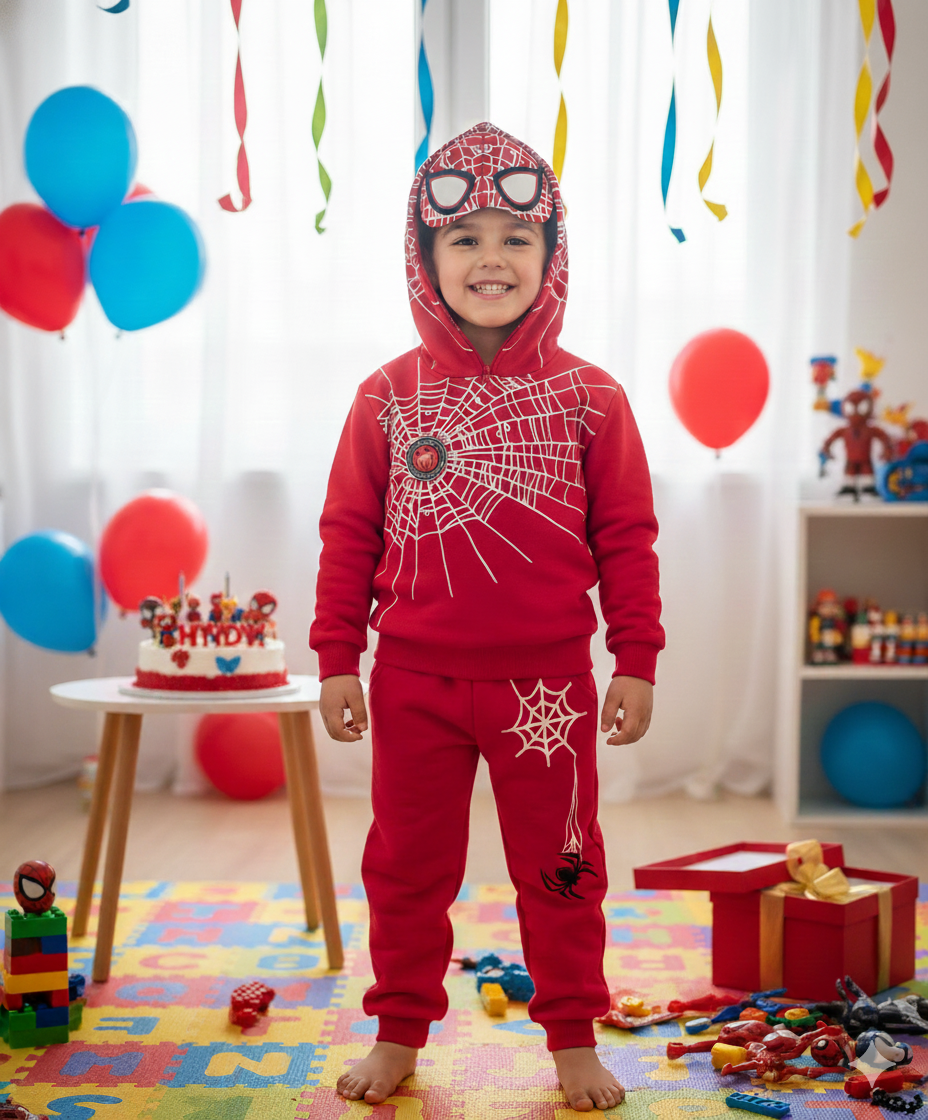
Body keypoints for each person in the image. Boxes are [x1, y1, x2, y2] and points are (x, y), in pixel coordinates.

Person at [310, 123, 664, 1112]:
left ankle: (572, 1036)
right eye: (462, 238)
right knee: (405, 869)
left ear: (553, 256)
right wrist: (336, 655)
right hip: (411, 680)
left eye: (517, 236)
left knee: (564, 868)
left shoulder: (593, 399)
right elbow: (347, 533)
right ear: (424, 259)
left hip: (549, 685)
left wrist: (636, 657)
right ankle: (397, 1030)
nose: (490, 257)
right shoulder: (385, 397)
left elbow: (628, 537)